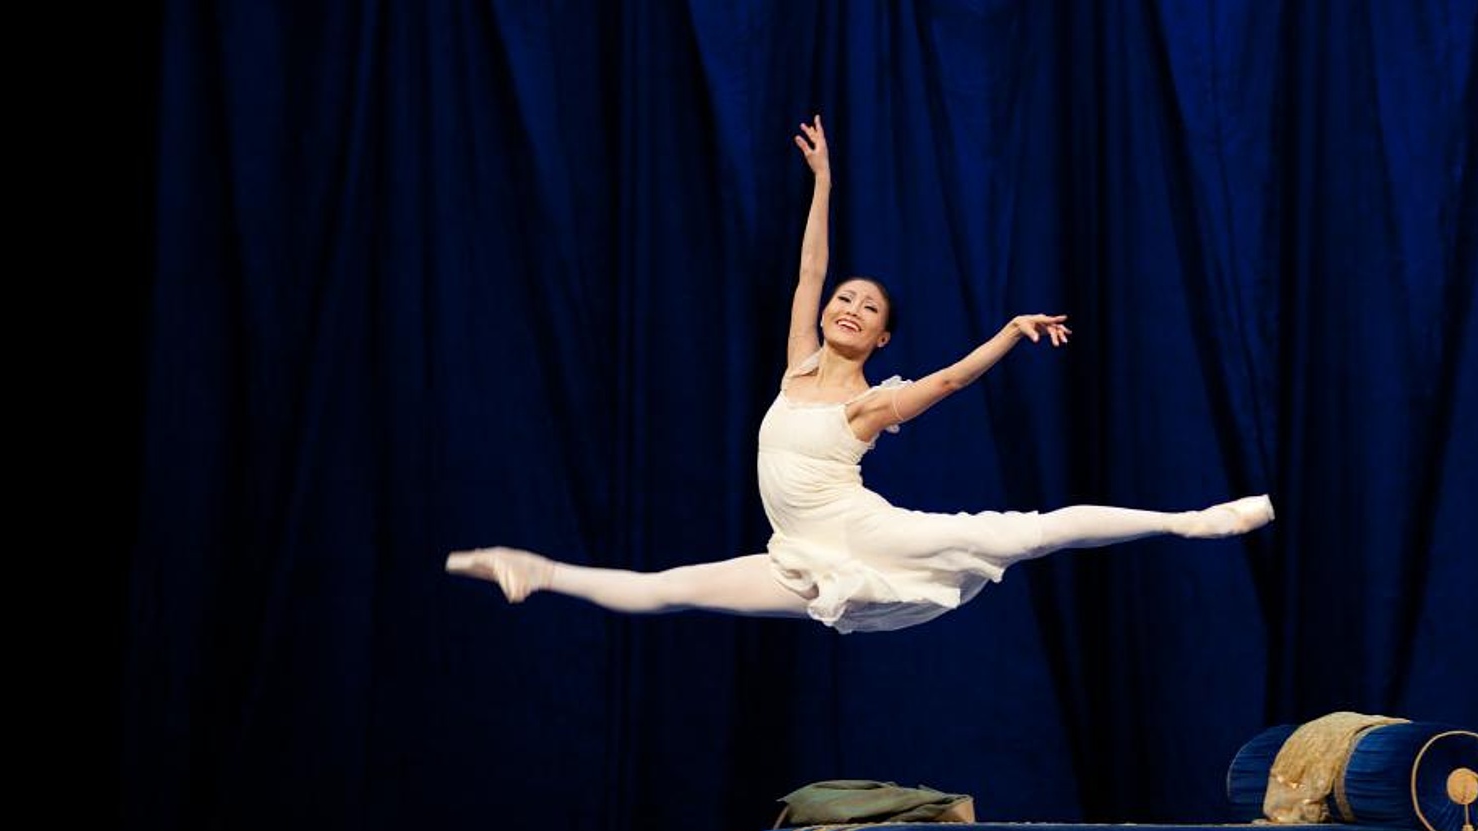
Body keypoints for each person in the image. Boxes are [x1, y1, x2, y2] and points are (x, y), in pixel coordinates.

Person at [446, 115, 1273, 634]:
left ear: (880, 338)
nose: (848, 307)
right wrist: (825, 183)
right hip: (795, 553)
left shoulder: (866, 403)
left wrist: (1009, 331)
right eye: (847, 298)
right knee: (669, 591)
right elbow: (810, 271)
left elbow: (946, 382)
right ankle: (537, 570)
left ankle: (1196, 521)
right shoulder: (798, 363)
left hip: (861, 532)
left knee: (1022, 530)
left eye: (866, 308)